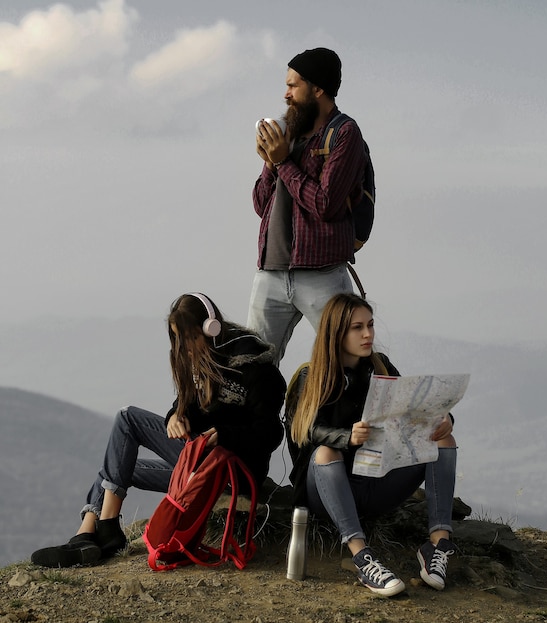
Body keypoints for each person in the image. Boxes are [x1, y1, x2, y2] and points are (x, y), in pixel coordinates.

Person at [31, 292, 286, 568]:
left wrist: (224, 434)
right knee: (119, 464)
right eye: (176, 338)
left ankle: (101, 531)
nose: (183, 346)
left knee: (128, 420)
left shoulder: (257, 370)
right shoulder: (202, 358)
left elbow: (270, 434)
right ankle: (87, 535)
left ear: (210, 328)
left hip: (229, 471)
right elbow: (184, 405)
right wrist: (174, 417)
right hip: (196, 460)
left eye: (188, 337)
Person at [286, 293, 458, 597]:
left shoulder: (380, 366)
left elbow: (412, 409)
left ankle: (438, 545)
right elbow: (305, 430)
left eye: (370, 325)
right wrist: (346, 437)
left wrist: (444, 419)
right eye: (357, 327)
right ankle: (362, 557)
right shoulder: (311, 376)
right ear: (336, 332)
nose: (368, 334)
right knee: (327, 452)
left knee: (443, 439)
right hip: (326, 490)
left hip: (376, 480)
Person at [248, 47, 369, 364]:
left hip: (323, 274)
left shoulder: (344, 133)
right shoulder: (288, 131)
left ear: (318, 88)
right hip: (271, 273)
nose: (285, 94)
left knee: (348, 363)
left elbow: (326, 205)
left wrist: (283, 162)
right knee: (253, 370)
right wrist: (270, 165)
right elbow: (262, 205)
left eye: (293, 85)